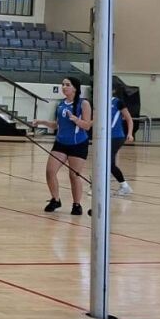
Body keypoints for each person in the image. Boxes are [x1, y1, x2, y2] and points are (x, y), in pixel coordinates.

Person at [36, 76, 93, 215]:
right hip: (61, 143)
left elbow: (87, 126)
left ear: (75, 88)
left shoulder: (84, 103)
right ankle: (55, 199)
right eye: (63, 84)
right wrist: (41, 122)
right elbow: (57, 125)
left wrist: (75, 119)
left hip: (78, 144)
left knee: (74, 175)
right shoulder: (61, 104)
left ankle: (76, 204)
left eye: (67, 85)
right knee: (50, 171)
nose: (64, 87)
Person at [111, 84, 135, 196]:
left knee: (108, 163)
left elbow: (129, 119)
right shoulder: (99, 103)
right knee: (103, 163)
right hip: (104, 137)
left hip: (116, 136)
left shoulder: (117, 102)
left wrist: (130, 134)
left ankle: (125, 186)